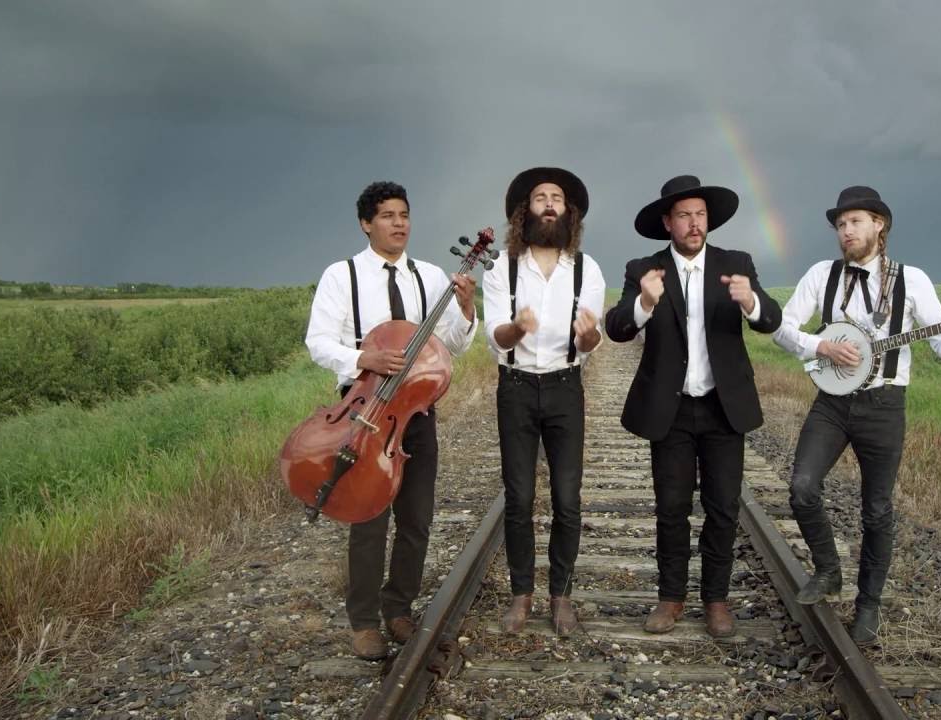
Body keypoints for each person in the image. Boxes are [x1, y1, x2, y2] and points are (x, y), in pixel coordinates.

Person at [773, 185, 941, 645]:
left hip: (884, 406)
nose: (846, 231)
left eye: (855, 222)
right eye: (840, 224)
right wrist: (821, 346)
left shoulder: (913, 280)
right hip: (831, 404)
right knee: (802, 486)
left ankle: (868, 605)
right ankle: (828, 570)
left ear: (878, 225)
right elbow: (781, 329)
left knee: (877, 509)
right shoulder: (821, 275)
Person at [304, 181, 478, 660]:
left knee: (417, 519)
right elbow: (318, 341)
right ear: (366, 223)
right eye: (387, 215)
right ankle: (363, 622)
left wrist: (466, 309)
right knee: (369, 518)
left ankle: (398, 608)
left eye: (404, 214)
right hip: (364, 414)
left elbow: (453, 345)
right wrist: (365, 358)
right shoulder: (342, 276)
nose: (399, 223)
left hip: (416, 413)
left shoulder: (430, 276)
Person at [604, 175, 782, 638]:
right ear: (668, 222)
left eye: (700, 214)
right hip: (672, 409)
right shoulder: (644, 268)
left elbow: (770, 319)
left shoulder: (735, 263)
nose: (694, 223)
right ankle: (671, 597)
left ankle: (716, 600)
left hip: (724, 407)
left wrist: (751, 302)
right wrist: (644, 303)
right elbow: (617, 328)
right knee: (671, 507)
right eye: (684, 215)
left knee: (723, 507)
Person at [483, 167, 606, 637]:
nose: (550, 203)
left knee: (567, 498)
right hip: (515, 388)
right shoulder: (502, 267)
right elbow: (496, 335)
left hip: (564, 387)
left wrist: (589, 335)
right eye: (540, 197)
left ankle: (561, 596)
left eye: (557, 198)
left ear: (568, 212)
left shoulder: (587, 269)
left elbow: (591, 341)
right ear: (525, 212)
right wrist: (517, 328)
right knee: (518, 497)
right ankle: (522, 595)